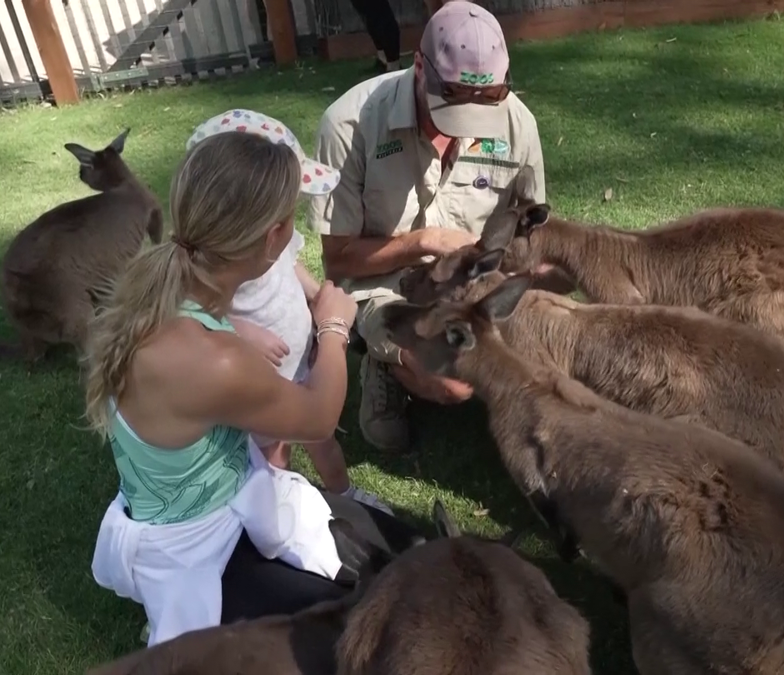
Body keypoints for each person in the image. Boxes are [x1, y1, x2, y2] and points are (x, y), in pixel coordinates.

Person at [83, 120, 423, 648]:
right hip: (199, 547)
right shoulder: (213, 359)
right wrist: (333, 327)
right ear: (274, 239)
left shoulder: (159, 296)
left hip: (220, 500)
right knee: (367, 629)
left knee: (401, 552)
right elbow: (317, 417)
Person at [310, 0, 551, 453]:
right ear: (419, 67)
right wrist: (423, 242)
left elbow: (533, 236)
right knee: (454, 383)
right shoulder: (348, 125)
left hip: (476, 285)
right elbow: (339, 258)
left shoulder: (519, 124)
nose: (465, 131)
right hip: (385, 286)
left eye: (483, 108)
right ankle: (387, 360)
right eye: (454, 109)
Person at [185, 109, 393, 517]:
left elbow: (290, 265)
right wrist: (240, 330)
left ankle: (342, 494)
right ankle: (282, 509)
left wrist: (317, 296)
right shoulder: (205, 270)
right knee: (273, 456)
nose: (290, 222)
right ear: (262, 228)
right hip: (259, 381)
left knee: (324, 440)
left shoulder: (272, 242)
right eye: (287, 210)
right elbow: (196, 314)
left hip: (299, 363)